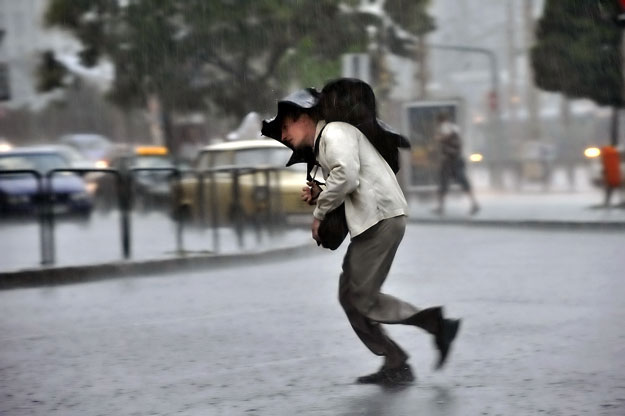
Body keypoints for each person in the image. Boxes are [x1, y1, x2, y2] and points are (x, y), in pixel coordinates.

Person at [262, 80, 461, 385]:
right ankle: (395, 360)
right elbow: (346, 178)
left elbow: (347, 175)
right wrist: (321, 192)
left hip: (380, 219)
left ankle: (436, 324)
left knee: (363, 299)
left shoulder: (334, 133)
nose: (284, 135)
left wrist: (319, 213)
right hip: (371, 221)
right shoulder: (326, 141)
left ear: (304, 117)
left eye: (286, 126)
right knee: (349, 297)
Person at [433, 112, 479, 215]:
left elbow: (443, 139)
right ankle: (473, 203)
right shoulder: (453, 129)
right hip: (454, 160)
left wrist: (442, 140)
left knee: (446, 183)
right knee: (454, 183)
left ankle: (441, 207)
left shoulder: (447, 129)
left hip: (451, 161)